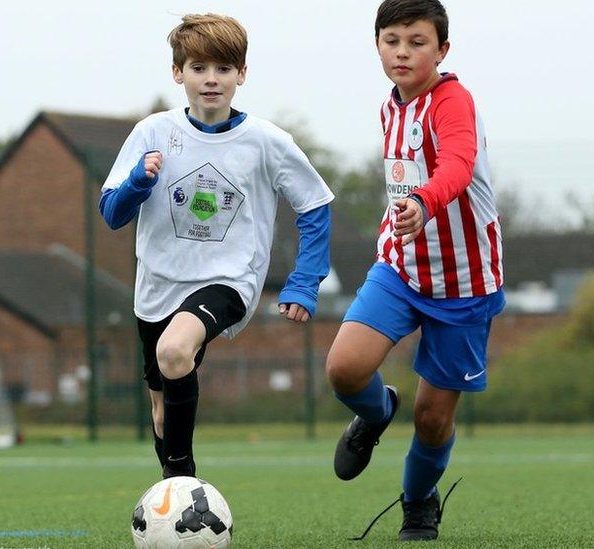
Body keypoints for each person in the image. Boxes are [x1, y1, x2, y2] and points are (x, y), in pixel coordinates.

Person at [100, 13, 334, 479]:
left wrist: (304, 282)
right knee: (163, 411)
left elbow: (316, 206)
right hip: (157, 284)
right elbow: (112, 214)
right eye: (199, 68)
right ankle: (176, 486)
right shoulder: (152, 133)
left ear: (242, 74)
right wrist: (137, 184)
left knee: (173, 350)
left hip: (228, 280)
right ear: (177, 73)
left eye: (224, 69)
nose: (211, 79)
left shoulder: (267, 142)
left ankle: (181, 485)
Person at [326, 0, 505, 542]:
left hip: (464, 285)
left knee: (432, 419)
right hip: (401, 269)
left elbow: (455, 162)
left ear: (442, 49)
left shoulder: (452, 102)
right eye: (392, 40)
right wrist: (410, 215)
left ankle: (419, 502)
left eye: (417, 41)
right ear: (377, 44)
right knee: (344, 370)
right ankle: (377, 414)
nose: (402, 52)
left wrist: (426, 203)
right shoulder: (390, 106)